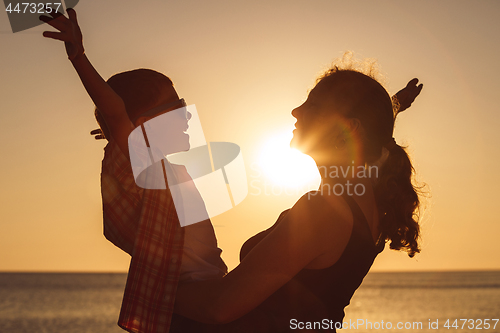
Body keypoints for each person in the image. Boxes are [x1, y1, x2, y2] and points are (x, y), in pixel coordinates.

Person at [171, 60, 424, 332]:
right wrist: (392, 106)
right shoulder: (368, 201)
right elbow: (371, 134)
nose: (296, 111)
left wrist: (160, 289)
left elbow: (219, 307)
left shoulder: (324, 211)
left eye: (313, 105)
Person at [39, 9, 227, 333]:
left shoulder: (171, 173)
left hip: (212, 294)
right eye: (177, 107)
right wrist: (78, 56)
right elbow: (115, 113)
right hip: (190, 309)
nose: (187, 115)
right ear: (143, 125)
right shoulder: (148, 169)